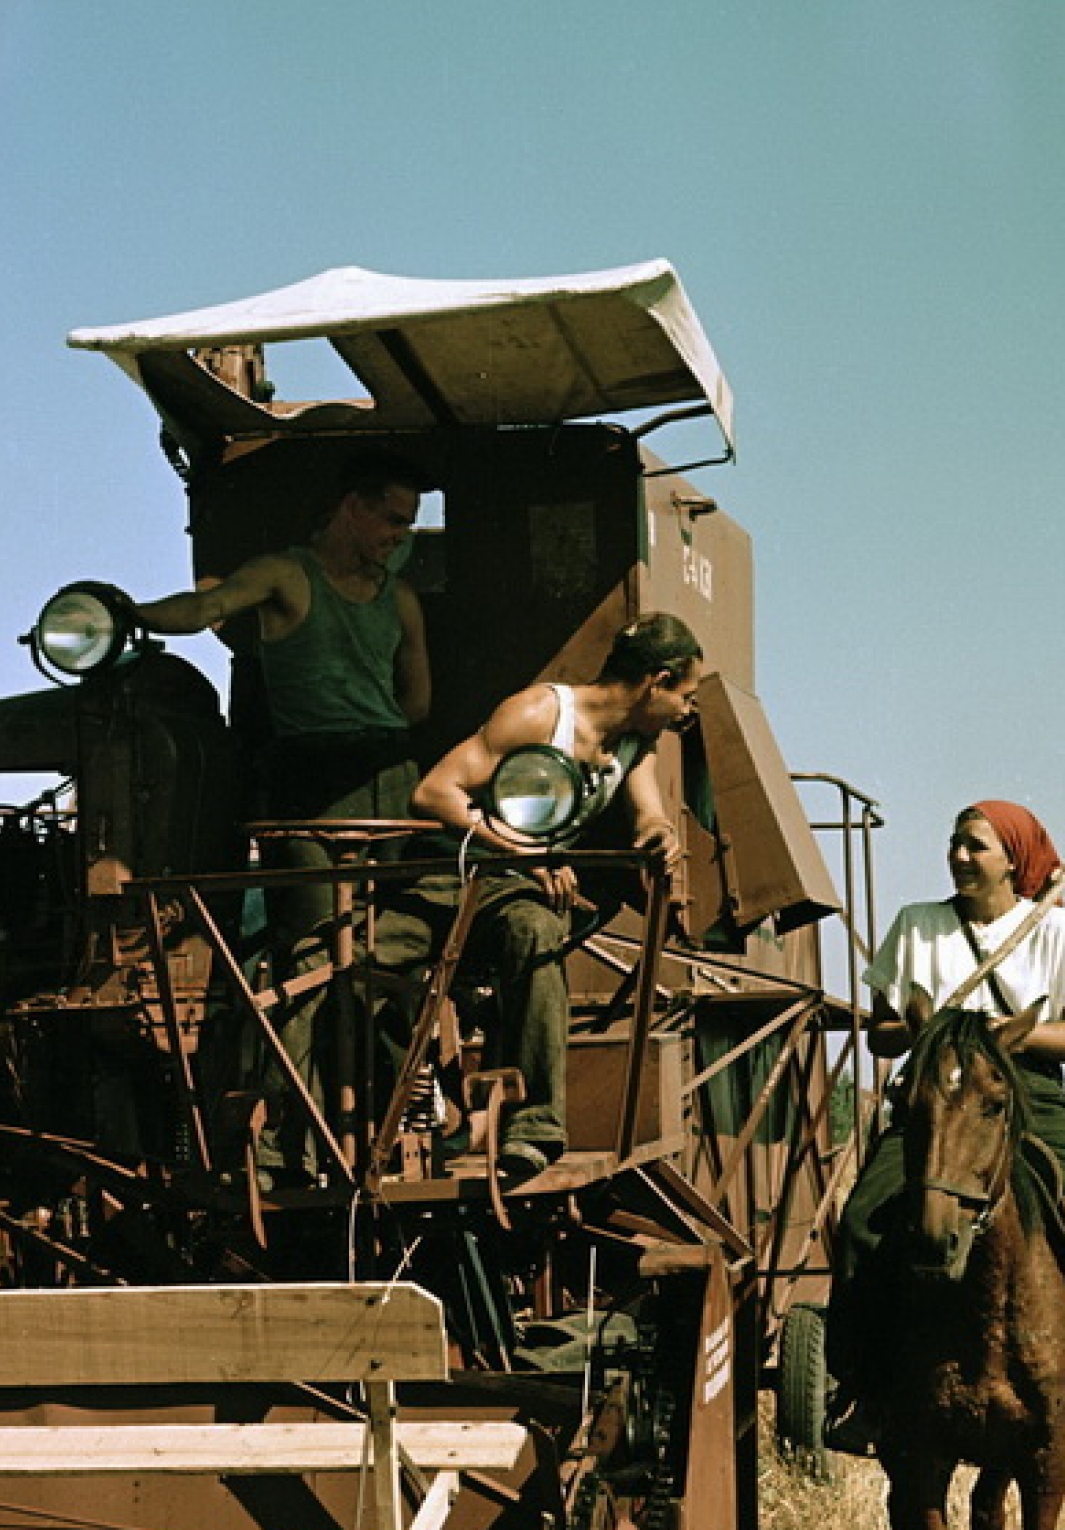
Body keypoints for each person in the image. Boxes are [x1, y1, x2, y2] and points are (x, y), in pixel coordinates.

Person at [831, 801, 1065, 1473]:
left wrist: (993, 1035)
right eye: (953, 842)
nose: (957, 855)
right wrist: (938, 1036)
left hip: (1026, 1093)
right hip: (934, 1099)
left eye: (974, 845)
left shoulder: (1059, 928)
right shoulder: (917, 925)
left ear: (1012, 857)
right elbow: (881, 1031)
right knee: (862, 1221)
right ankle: (862, 1389)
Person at [365, 613, 704, 1185]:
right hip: (457, 873)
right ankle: (407, 1109)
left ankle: (533, 1130)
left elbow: (646, 807)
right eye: (686, 696)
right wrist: (525, 853)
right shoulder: (540, 712)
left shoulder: (636, 740)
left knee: (536, 932)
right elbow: (434, 792)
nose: (688, 712)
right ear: (657, 680)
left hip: (517, 892)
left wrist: (658, 831)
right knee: (361, 960)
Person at [130, 449, 432, 826]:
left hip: (388, 772)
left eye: (406, 525)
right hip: (308, 769)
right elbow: (206, 608)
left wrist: (371, 738)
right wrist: (129, 613)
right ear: (354, 507)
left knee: (394, 884)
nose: (400, 537)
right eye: (393, 522)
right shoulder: (283, 574)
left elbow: (418, 701)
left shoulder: (400, 598)